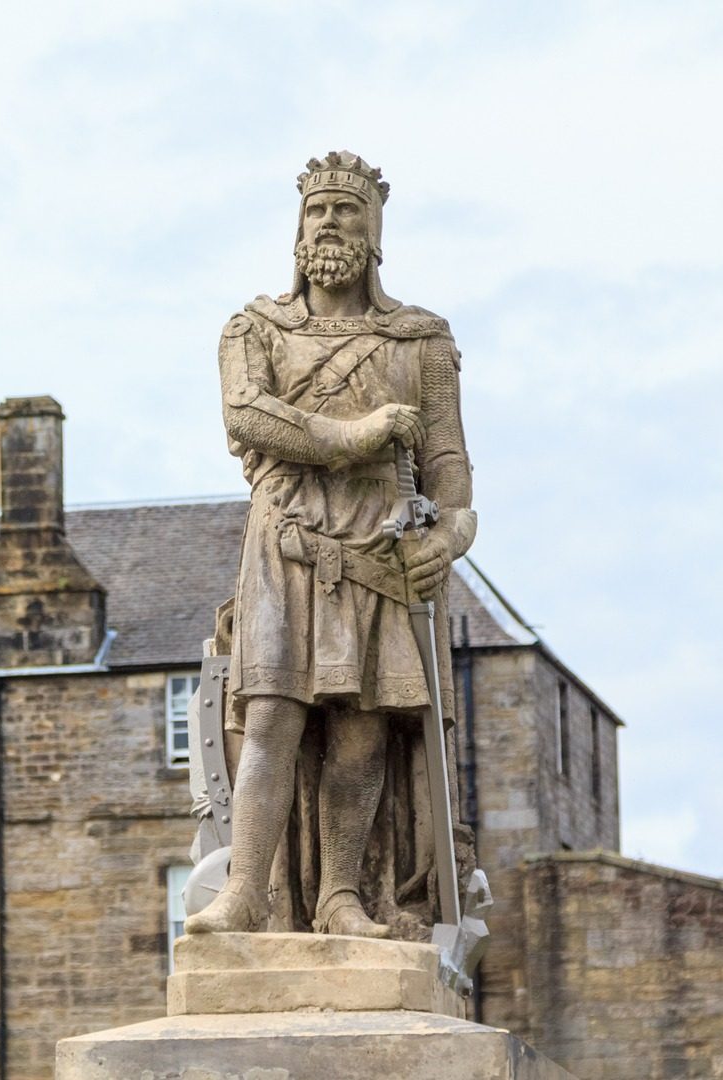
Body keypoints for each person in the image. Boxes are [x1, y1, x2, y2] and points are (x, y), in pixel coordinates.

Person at [185, 151, 476, 938]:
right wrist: (357, 434)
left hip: (379, 551)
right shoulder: (254, 329)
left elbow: (447, 462)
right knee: (273, 719)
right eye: (318, 210)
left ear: (375, 232)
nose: (331, 223)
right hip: (287, 546)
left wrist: (452, 532)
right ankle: (247, 891)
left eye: (348, 210)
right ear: (297, 228)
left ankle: (342, 897)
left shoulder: (422, 342)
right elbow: (247, 416)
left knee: (360, 732)